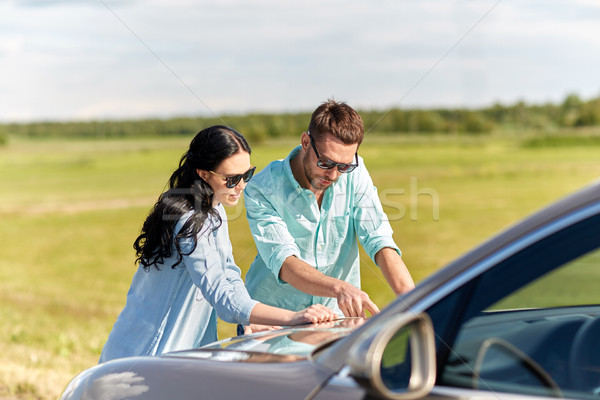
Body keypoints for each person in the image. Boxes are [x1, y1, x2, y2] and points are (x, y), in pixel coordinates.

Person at [99, 125, 336, 363]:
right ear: (204, 174)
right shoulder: (190, 221)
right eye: (231, 179)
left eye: (247, 175)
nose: (241, 186)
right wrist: (292, 318)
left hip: (178, 356)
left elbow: (229, 274)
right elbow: (221, 294)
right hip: (146, 355)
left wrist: (249, 318)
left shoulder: (216, 211)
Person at [244, 99, 415, 319]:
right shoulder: (262, 188)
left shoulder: (356, 173)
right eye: (325, 163)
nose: (333, 175)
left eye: (344, 166)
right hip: (274, 321)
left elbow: (379, 240)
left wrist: (414, 300)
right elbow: (285, 262)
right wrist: (340, 288)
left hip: (334, 319)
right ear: (306, 142)